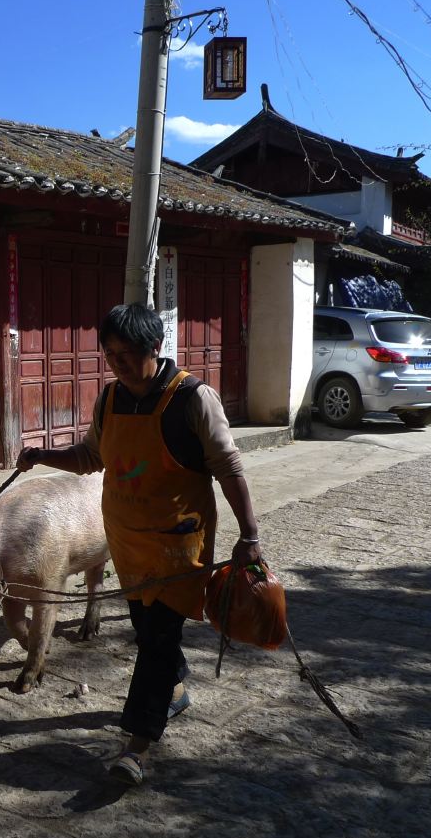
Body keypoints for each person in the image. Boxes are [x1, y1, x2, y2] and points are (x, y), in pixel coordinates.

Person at [17, 302, 262, 785]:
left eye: (126, 354)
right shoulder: (110, 400)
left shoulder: (193, 399)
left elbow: (229, 467)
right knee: (149, 632)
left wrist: (250, 534)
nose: (117, 363)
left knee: (155, 642)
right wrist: (42, 455)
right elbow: (91, 456)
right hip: (126, 546)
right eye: (109, 354)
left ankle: (137, 746)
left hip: (177, 547)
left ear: (156, 347)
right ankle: (174, 686)